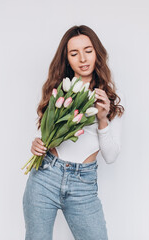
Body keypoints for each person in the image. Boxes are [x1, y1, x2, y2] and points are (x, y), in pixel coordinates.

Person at [23, 25, 125, 240]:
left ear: (97, 52)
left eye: (88, 50)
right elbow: (47, 134)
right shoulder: (59, 88)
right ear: (67, 58)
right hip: (45, 176)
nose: (82, 58)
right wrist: (37, 144)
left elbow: (111, 156)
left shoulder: (109, 97)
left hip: (83, 184)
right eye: (74, 53)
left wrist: (103, 118)